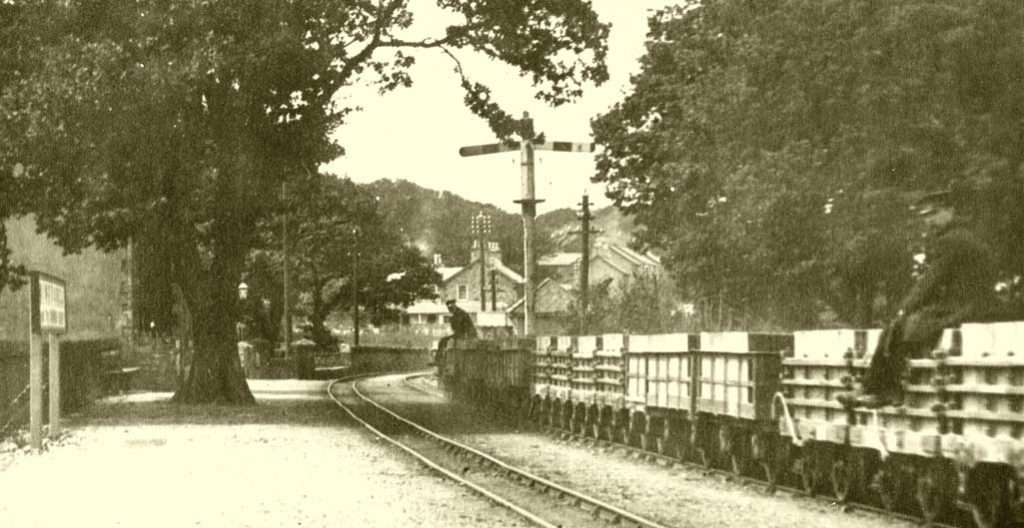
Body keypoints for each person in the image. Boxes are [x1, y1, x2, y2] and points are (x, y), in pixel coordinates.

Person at [839, 190, 998, 408]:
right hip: (973, 304)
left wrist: (903, 309)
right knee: (902, 328)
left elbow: (930, 282)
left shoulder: (951, 240)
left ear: (950, 211)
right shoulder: (964, 236)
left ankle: (880, 390)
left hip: (963, 307)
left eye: (934, 214)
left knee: (897, 328)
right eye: (925, 216)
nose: (929, 221)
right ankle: (876, 389)